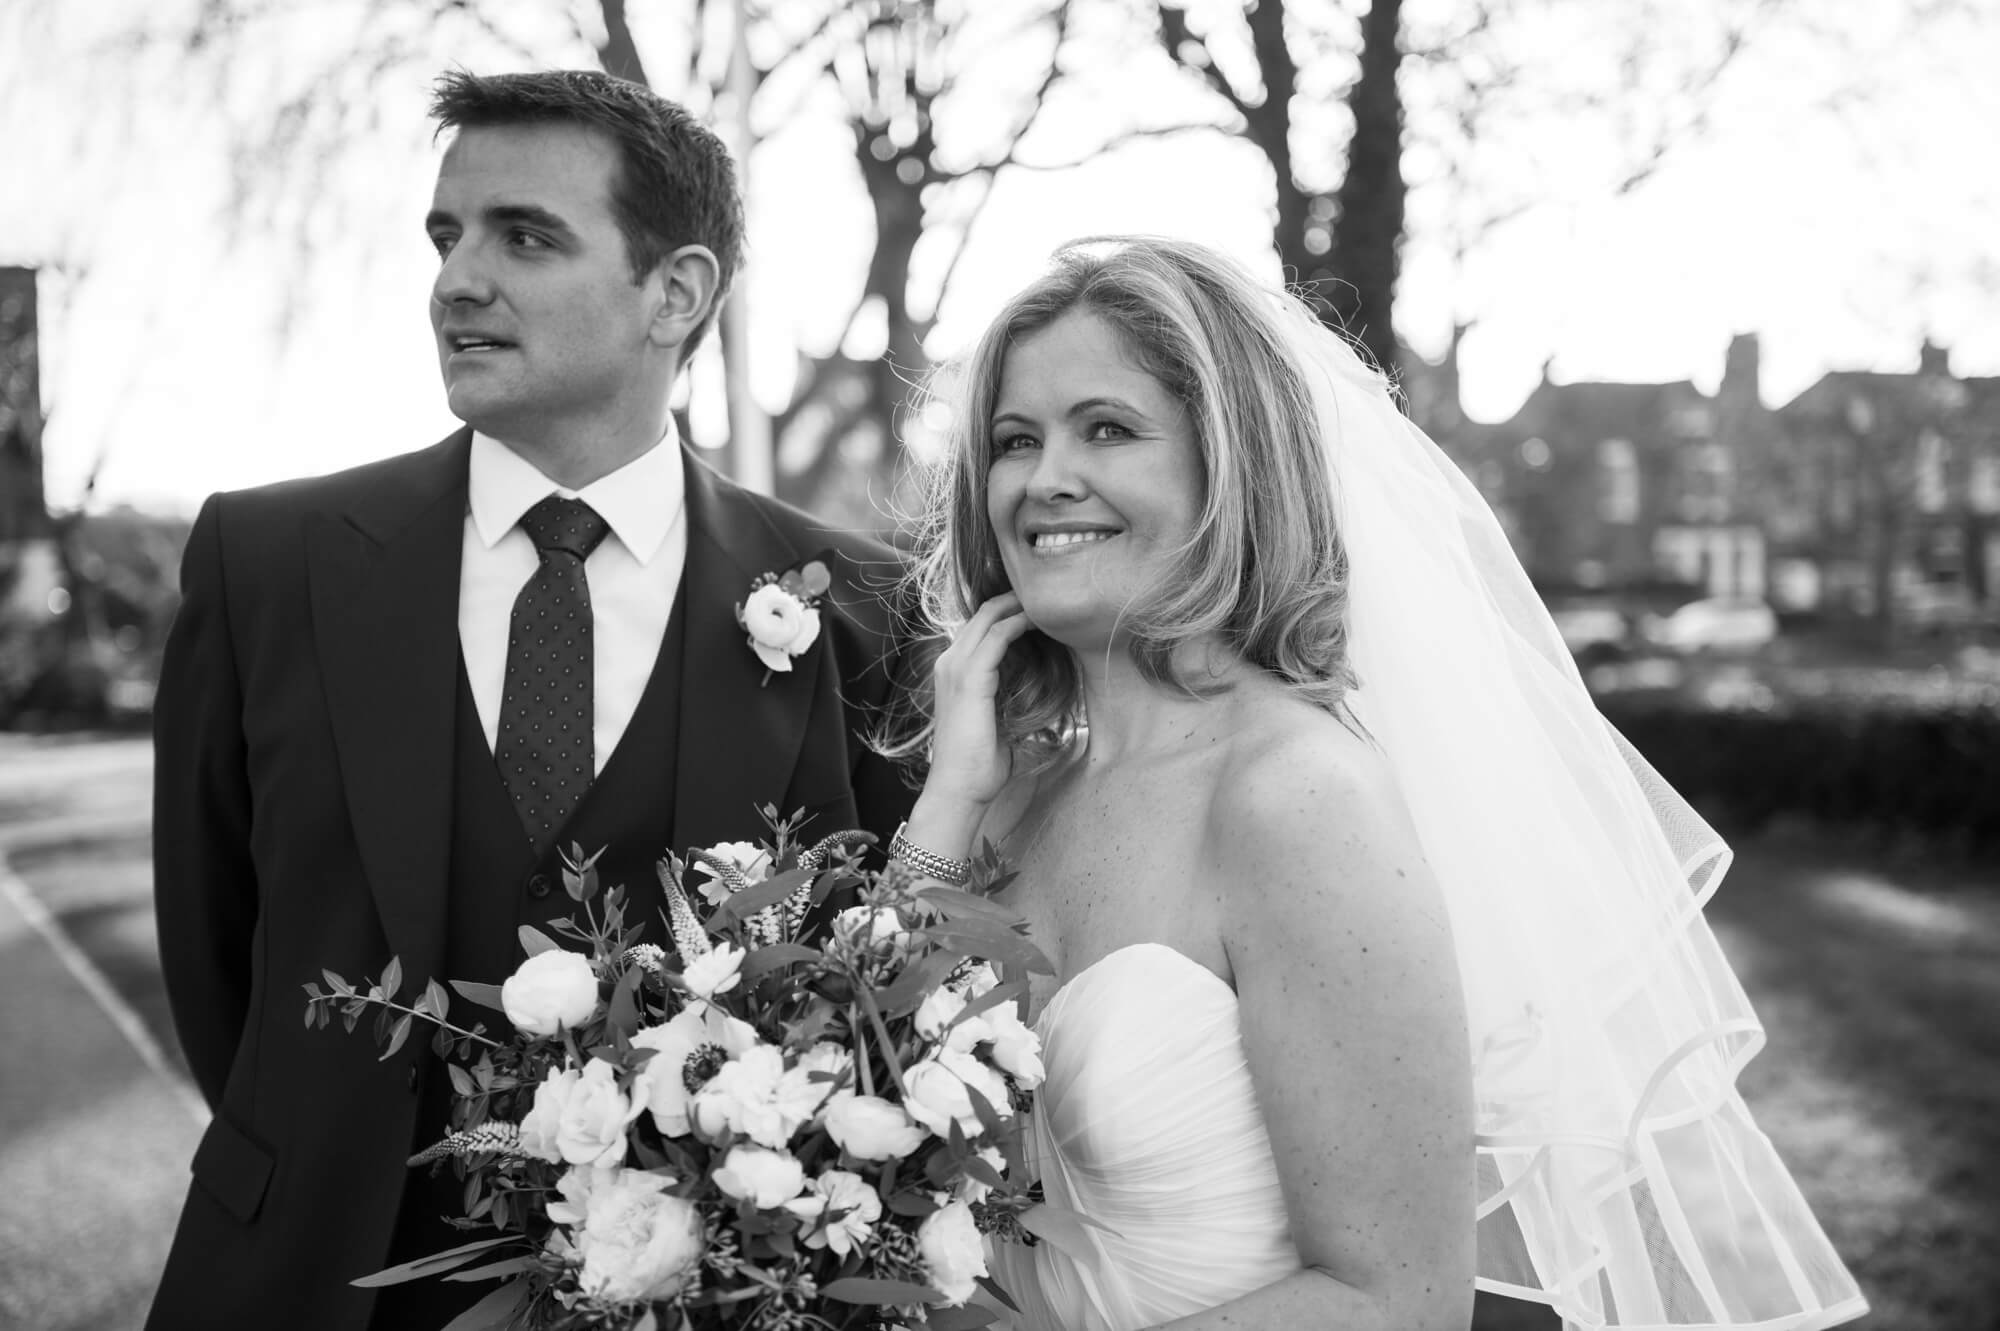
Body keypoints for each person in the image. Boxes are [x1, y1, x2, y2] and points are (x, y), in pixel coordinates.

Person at [887, 237, 1869, 1331]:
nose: (1041, 477)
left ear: (1230, 465)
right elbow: (875, 1120)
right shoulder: (1008, 792)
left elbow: (1395, 1297)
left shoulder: (1295, 795)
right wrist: (946, 799)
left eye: (1105, 428)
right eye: (1014, 439)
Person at [146, 70, 914, 1331]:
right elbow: (212, 942)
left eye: (525, 236)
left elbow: (873, 960)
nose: (455, 279)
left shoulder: (859, 608)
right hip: (303, 1276)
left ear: (675, 293)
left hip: (688, 1293)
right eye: (446, 235)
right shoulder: (269, 560)